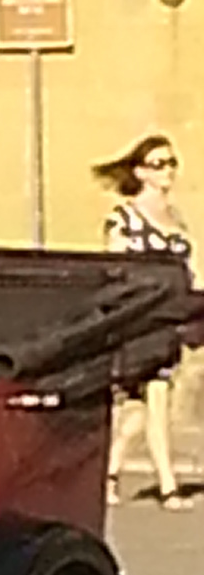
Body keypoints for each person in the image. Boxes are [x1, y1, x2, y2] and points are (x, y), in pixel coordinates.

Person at [95, 134, 191, 508]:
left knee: (137, 413)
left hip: (169, 320)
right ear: (140, 172)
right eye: (158, 164)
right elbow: (115, 271)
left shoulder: (175, 218)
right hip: (139, 322)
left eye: (171, 163)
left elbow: (187, 269)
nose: (167, 171)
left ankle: (109, 474)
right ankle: (168, 487)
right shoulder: (124, 219)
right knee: (158, 398)